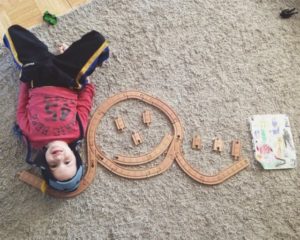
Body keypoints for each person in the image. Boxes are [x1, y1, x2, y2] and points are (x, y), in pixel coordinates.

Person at [3, 25, 109, 192]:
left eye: (53, 164)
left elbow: (22, 108)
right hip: (67, 79)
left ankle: (52, 57)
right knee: (98, 41)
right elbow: (84, 105)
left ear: (44, 162)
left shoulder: (31, 137)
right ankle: (65, 55)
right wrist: (86, 83)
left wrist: (24, 81)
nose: (59, 157)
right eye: (67, 161)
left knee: (13, 33)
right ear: (75, 156)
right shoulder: (77, 132)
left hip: (38, 78)